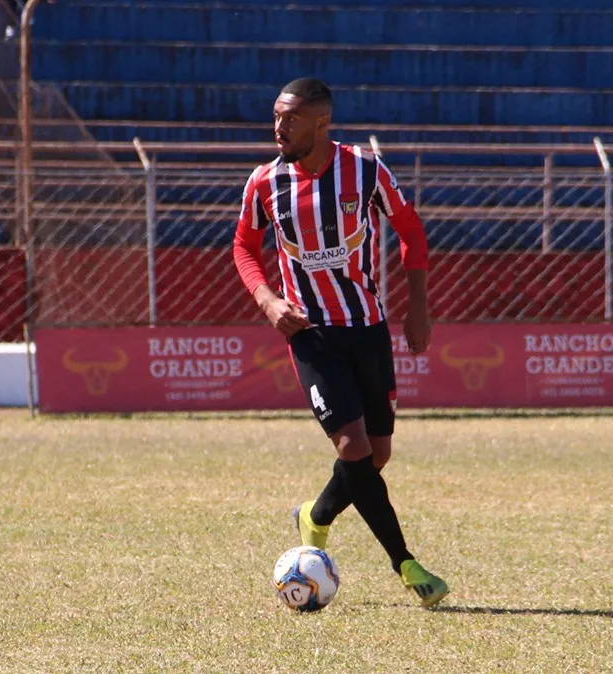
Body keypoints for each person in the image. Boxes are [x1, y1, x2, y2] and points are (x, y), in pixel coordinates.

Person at [232, 77, 449, 608]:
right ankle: (407, 563)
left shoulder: (366, 169)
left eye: (291, 118)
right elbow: (243, 246)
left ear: (322, 123)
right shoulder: (264, 182)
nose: (278, 127)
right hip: (310, 333)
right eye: (276, 116)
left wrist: (417, 306)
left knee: (376, 455)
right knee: (352, 448)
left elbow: (411, 231)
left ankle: (316, 515)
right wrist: (268, 301)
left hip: (368, 327)